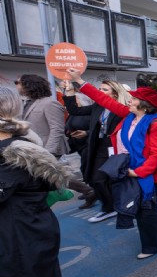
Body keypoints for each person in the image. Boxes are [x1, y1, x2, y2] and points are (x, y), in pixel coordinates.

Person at [0, 86, 120, 277]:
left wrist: (79, 85)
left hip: (20, 240)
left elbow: (63, 124)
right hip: (22, 236)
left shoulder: (14, 154)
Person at [67, 69, 157, 261]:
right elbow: (104, 100)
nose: (129, 100)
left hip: (146, 175)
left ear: (144, 104)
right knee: (141, 209)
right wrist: (78, 81)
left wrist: (139, 172)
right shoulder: (128, 115)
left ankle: (153, 245)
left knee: (143, 210)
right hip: (126, 170)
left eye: (133, 99)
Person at [16, 75, 98, 210]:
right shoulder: (27, 102)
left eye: (17, 82)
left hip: (48, 147)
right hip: (34, 147)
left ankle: (85, 192)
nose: (16, 85)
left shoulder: (50, 103)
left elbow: (57, 129)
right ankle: (88, 191)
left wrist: (49, 151)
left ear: (29, 84)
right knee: (53, 173)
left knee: (52, 173)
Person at [63, 79, 131, 215]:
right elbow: (75, 110)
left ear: (115, 94)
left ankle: (121, 204)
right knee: (96, 179)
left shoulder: (121, 108)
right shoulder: (98, 106)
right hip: (99, 146)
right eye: (99, 89)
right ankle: (109, 207)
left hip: (116, 147)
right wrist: (69, 91)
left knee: (117, 179)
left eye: (105, 90)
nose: (100, 92)